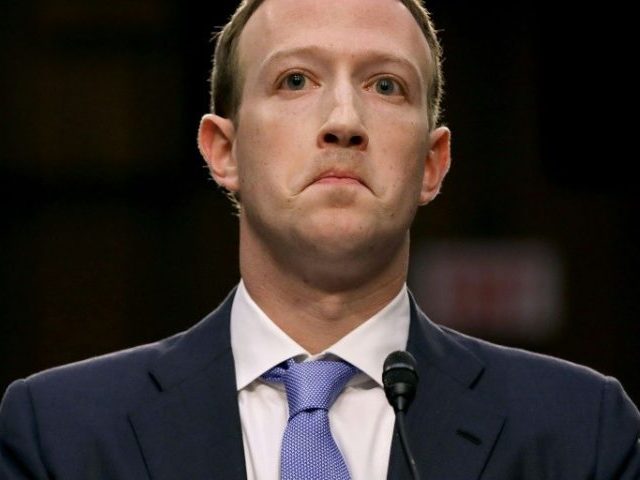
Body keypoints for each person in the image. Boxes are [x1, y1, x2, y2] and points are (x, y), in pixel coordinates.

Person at [1, 0, 638, 478]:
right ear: (223, 151)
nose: (343, 122)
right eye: (296, 80)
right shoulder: (59, 431)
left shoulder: (579, 430)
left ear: (431, 165)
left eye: (385, 85)